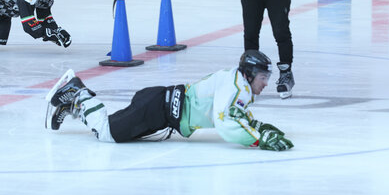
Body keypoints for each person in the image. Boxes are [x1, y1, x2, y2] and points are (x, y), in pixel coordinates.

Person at [47, 50, 294, 151]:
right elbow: (224, 121)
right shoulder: (234, 86)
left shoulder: (238, 84)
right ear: (250, 74)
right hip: (156, 108)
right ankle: (78, 93)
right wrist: (258, 139)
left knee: (108, 128)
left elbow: (234, 114)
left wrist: (257, 127)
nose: (266, 82)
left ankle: (72, 106)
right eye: (263, 77)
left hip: (160, 107)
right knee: (105, 132)